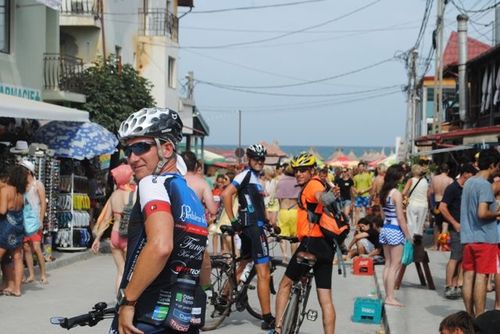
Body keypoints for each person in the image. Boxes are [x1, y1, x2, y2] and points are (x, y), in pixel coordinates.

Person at [111, 107, 208, 334]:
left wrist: (128, 302)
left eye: (141, 147)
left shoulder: (153, 184)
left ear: (166, 148)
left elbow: (161, 246)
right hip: (181, 317)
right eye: (129, 149)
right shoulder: (188, 192)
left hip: (148, 315)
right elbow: (203, 257)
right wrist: (206, 291)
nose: (132, 158)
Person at [274, 152, 336, 334]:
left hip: (311, 245)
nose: (299, 173)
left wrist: (328, 197)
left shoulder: (312, 185)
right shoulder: (320, 183)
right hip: (326, 248)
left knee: (285, 285)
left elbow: (320, 197)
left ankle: (278, 329)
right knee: (326, 300)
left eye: (303, 170)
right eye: (297, 170)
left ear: (312, 171)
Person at [221, 143, 276, 330]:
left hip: (254, 226)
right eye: (256, 159)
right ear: (249, 159)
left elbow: (256, 206)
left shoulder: (255, 178)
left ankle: (224, 295)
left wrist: (269, 223)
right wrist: (233, 219)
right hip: (252, 228)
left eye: (262, 159)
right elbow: (226, 194)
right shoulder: (245, 174)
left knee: (244, 262)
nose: (260, 162)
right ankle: (267, 317)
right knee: (263, 273)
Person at [460, 148, 500, 317]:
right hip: (485, 237)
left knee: (469, 276)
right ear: (492, 165)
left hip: (468, 237)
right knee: (482, 277)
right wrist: (497, 213)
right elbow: (482, 213)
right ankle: (480, 317)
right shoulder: (485, 185)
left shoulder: (469, 182)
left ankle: (469, 315)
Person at [92, 164, 136, 294]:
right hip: (129, 236)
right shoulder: (135, 193)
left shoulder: (114, 195)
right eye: (131, 174)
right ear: (126, 177)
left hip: (115, 236)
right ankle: (128, 301)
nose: (133, 176)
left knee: (121, 271)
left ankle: (118, 300)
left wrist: (97, 239)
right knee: (131, 272)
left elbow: (106, 219)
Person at [439, 163, 477, 300]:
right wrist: (454, 223)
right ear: (465, 173)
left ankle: (456, 285)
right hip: (457, 228)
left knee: (461, 258)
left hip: (467, 227)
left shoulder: (467, 188)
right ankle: (448, 286)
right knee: (455, 257)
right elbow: (443, 207)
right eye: (472, 175)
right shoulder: (453, 188)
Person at [379, 165, 412, 307]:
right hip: (395, 229)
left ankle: (387, 295)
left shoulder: (384, 192)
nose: (403, 177)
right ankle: (390, 297)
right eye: (402, 174)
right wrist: (408, 235)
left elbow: (382, 214)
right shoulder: (396, 194)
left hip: (386, 228)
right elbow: (400, 217)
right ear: (397, 176)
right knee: (394, 265)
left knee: (387, 264)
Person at [0, 165, 29, 297]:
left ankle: (9, 285)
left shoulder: (6, 190)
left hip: (6, 227)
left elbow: (2, 211)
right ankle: (16, 289)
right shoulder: (21, 194)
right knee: (17, 257)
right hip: (18, 226)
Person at [18, 160, 48, 285]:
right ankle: (31, 274)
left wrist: (41, 220)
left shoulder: (38, 185)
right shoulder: (22, 185)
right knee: (26, 248)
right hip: (24, 220)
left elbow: (43, 203)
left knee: (36, 247)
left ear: (29, 171)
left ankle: (43, 274)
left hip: (35, 221)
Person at [275, 164, 300, 261]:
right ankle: (293, 256)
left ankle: (285, 255)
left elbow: (278, 199)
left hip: (283, 210)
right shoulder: (298, 182)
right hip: (295, 211)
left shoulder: (281, 181)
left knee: (282, 235)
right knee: (294, 237)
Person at [430, 163, 454, 250]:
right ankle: (442, 246)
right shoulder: (450, 180)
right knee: (445, 225)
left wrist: (431, 205)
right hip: (445, 203)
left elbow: (431, 192)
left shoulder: (434, 179)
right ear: (448, 171)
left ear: (440, 170)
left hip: (436, 202)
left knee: (436, 225)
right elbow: (452, 194)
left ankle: (436, 245)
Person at [402, 164, 429, 239]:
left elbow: (404, 192)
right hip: (423, 205)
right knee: (420, 226)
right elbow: (428, 193)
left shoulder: (411, 180)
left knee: (411, 225)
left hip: (413, 204)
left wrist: (405, 200)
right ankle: (418, 243)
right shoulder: (425, 181)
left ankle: (411, 242)